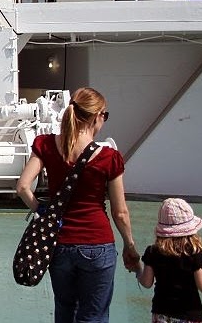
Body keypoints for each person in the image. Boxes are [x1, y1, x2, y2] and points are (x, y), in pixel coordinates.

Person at [15, 86, 140, 323]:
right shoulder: (109, 158)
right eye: (105, 115)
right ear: (96, 116)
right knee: (93, 315)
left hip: (59, 244)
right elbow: (120, 212)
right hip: (97, 245)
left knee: (65, 310)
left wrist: (42, 210)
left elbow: (22, 186)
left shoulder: (46, 145)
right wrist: (130, 246)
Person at [136, 198, 202, 322]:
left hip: (161, 314)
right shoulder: (193, 253)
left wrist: (137, 270)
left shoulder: (153, 251)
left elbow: (147, 282)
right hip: (189, 315)